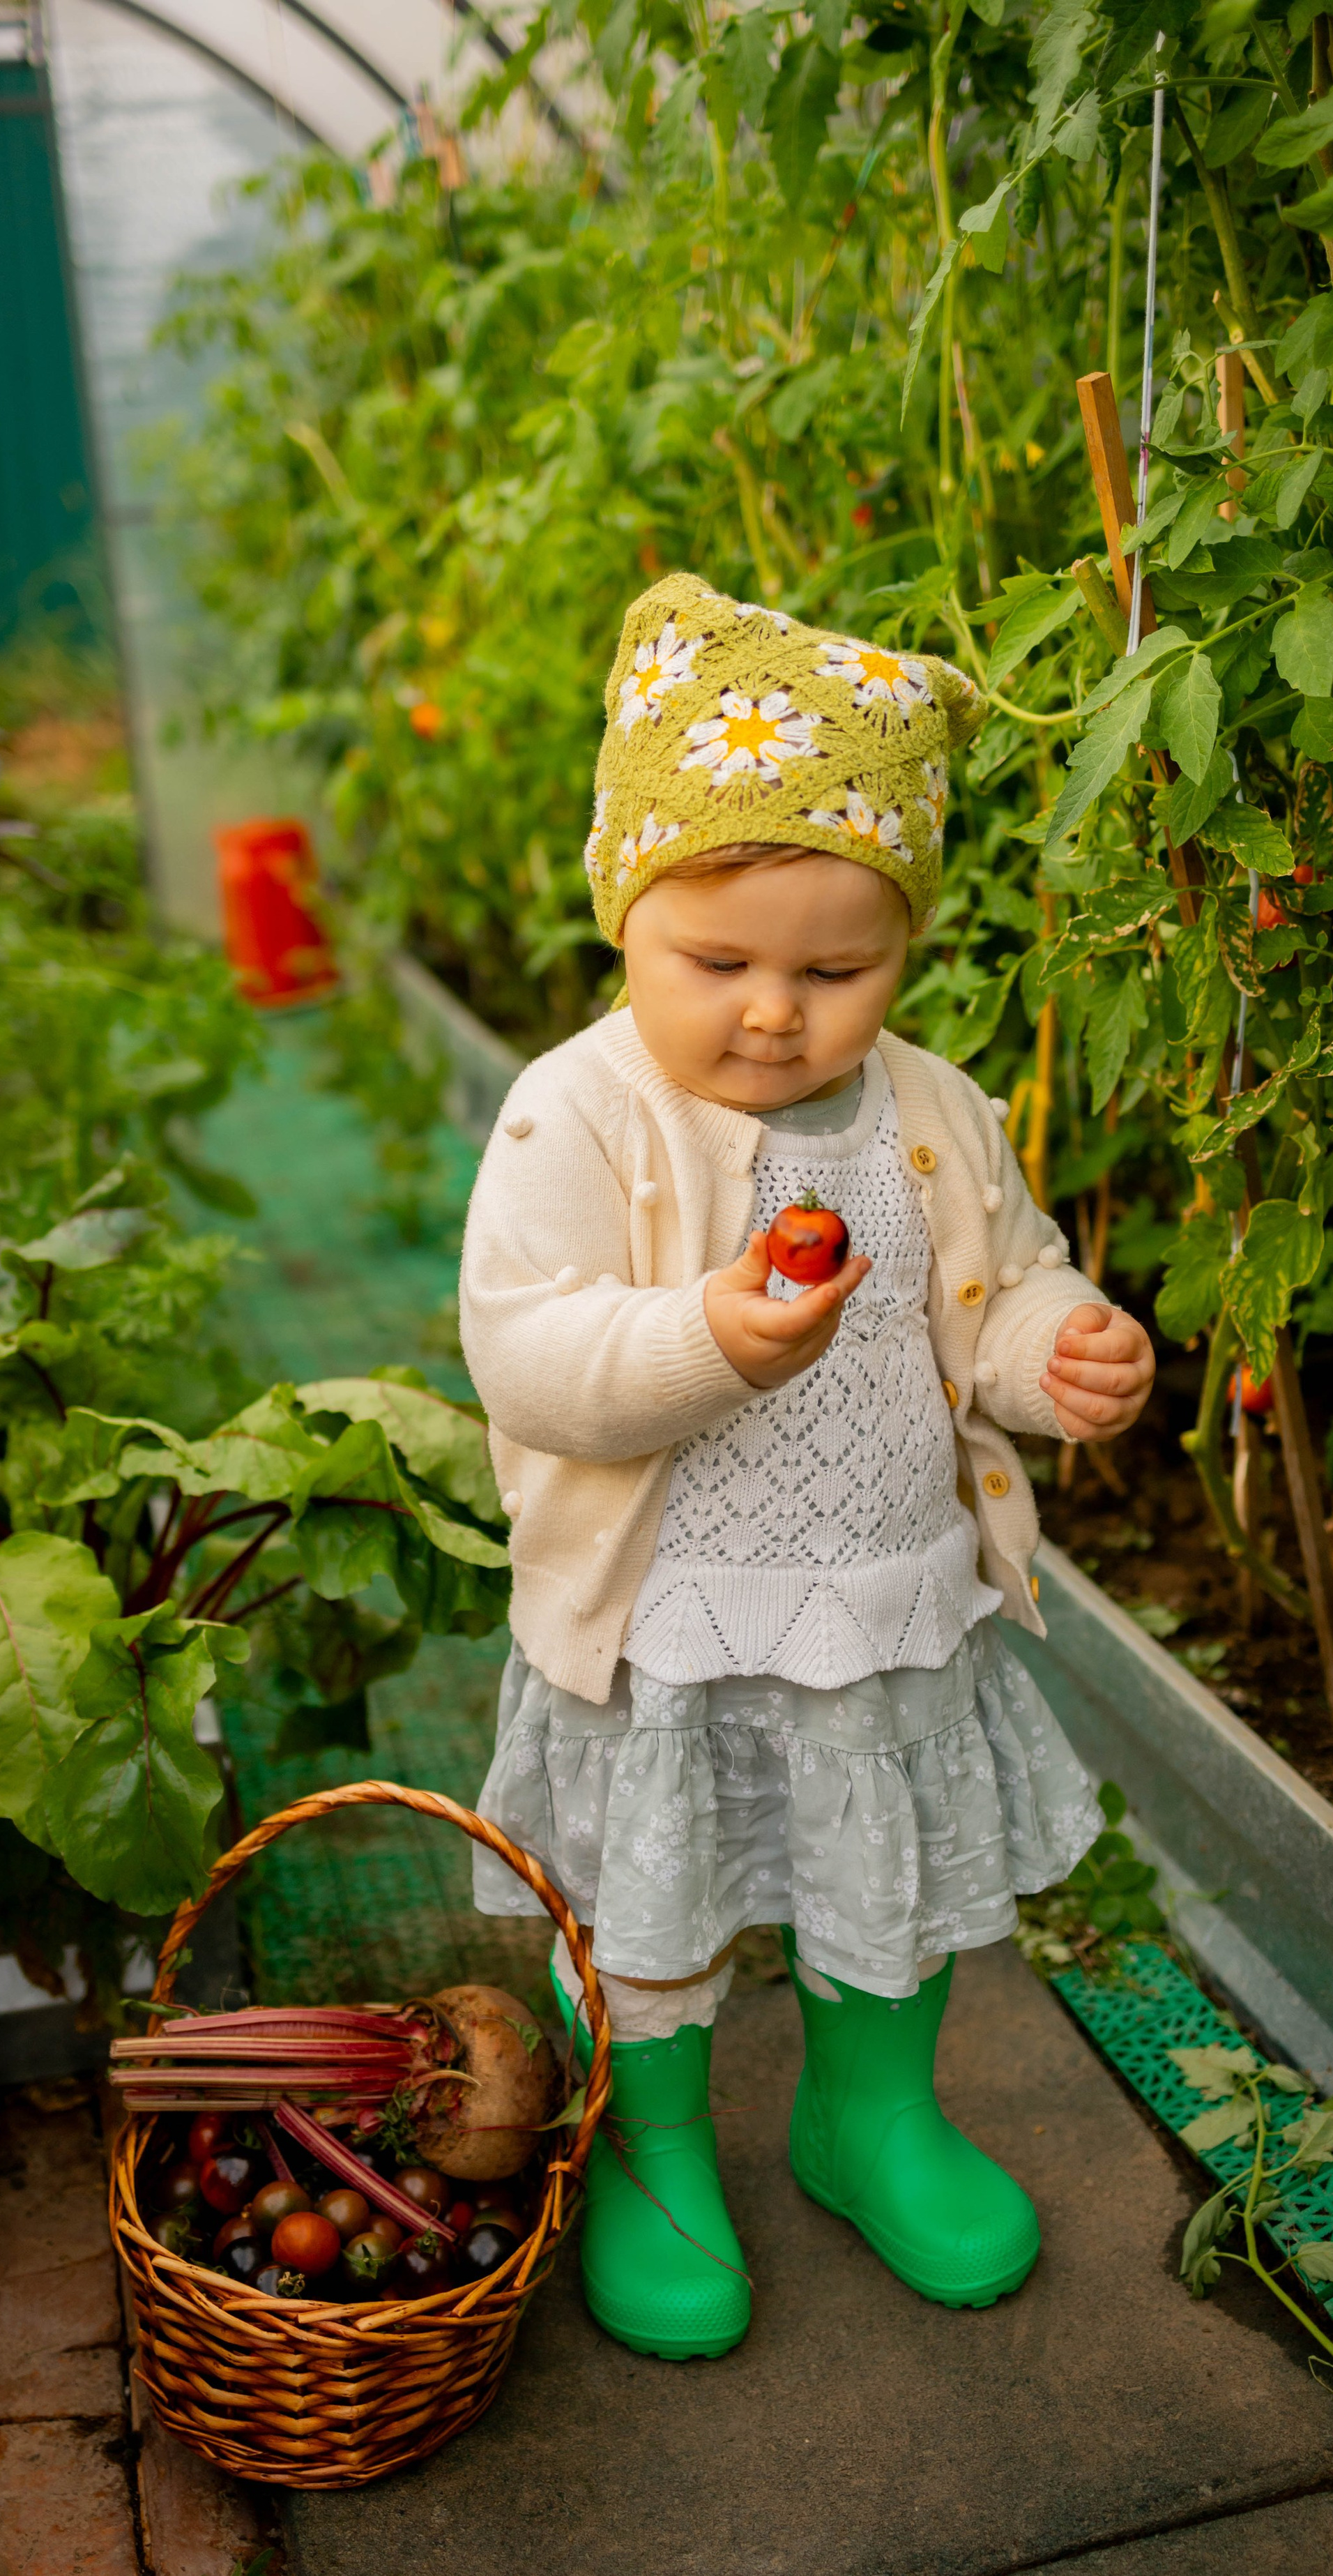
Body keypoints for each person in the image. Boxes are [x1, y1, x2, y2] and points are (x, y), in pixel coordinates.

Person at [460, 574, 1156, 2361]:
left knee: (880, 1868)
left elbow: (989, 1284)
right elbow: (526, 1356)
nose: (774, 1013)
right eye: (718, 964)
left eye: (834, 971)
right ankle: (657, 2147)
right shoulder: (578, 1112)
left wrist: (1053, 1350)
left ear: (898, 961)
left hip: (875, 1592)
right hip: (665, 1624)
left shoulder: (928, 1110)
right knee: (653, 1895)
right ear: (625, 916)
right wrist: (711, 1334)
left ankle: (867, 2116)